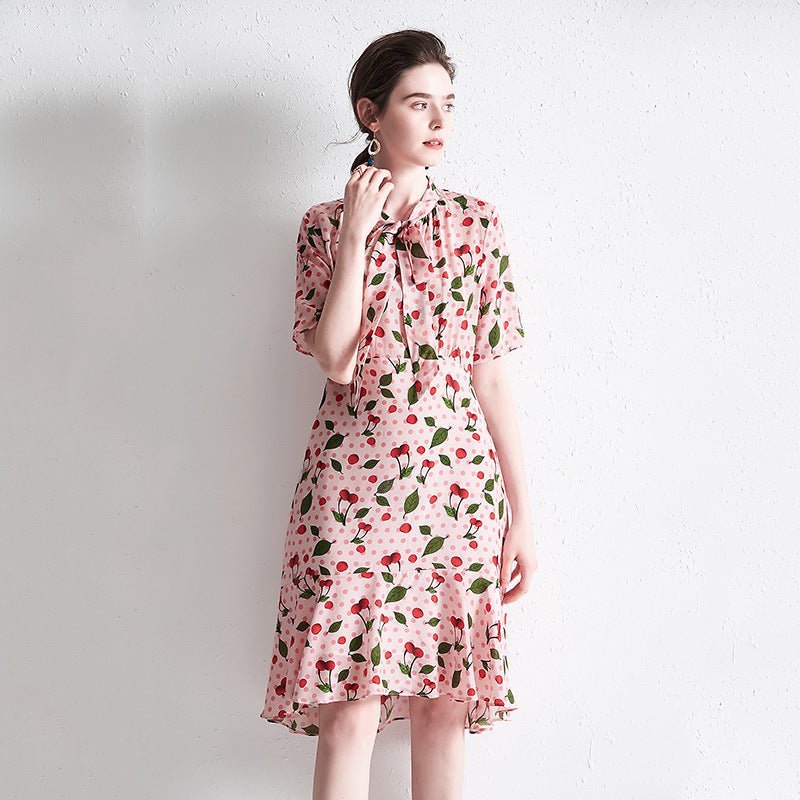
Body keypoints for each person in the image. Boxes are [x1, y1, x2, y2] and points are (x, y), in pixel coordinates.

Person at [260, 29, 538, 800]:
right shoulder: (323, 226)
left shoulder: (477, 224)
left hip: (455, 493)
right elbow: (335, 358)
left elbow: (490, 378)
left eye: (447, 103)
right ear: (371, 114)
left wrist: (522, 514)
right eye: (420, 104)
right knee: (348, 713)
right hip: (350, 495)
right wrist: (357, 236)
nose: (440, 121)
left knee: (443, 711)